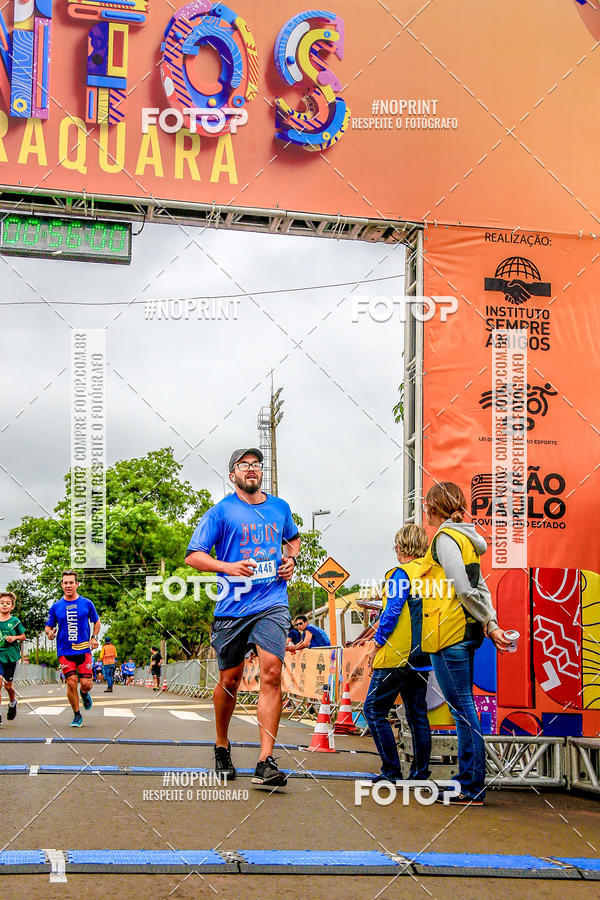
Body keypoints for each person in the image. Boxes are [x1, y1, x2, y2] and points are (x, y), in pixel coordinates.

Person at [186, 447, 300, 788]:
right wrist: (227, 567)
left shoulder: (280, 508)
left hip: (272, 601)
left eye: (256, 464)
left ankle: (265, 760)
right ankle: (222, 745)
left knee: (271, 672)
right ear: (233, 475)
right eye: (243, 465)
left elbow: (292, 541)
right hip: (233, 607)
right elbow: (194, 556)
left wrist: (290, 559)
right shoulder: (221, 512)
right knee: (230, 681)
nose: (251, 469)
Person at [422, 482, 511, 805]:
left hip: (449, 632)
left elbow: (462, 589)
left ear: (434, 508)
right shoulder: (466, 539)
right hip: (466, 632)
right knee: (465, 708)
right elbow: (479, 586)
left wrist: (490, 621)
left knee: (462, 710)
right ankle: (468, 781)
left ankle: (471, 784)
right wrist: (491, 623)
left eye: (426, 504)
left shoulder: (445, 540)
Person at [364, 525, 432, 784]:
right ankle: (420, 774)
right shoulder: (430, 575)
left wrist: (377, 643)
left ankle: (391, 771)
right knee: (417, 715)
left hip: (396, 655)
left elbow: (391, 613)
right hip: (423, 657)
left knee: (374, 710)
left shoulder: (400, 574)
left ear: (401, 548)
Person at [45, 570, 100, 727]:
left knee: (86, 683)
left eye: (71, 582)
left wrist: (94, 637)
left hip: (83, 650)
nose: (68, 585)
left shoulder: (87, 603)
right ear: (62, 585)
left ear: (76, 584)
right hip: (64, 650)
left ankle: (84, 693)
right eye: (65, 583)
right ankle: (77, 714)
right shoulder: (56, 607)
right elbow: (48, 626)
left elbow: (96, 622)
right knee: (71, 682)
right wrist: (49, 633)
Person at [0, 591, 26, 725]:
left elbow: (23, 636)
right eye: (2, 603)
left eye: (7, 603)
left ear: (12, 606)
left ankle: (12, 702)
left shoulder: (14, 621)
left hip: (10, 655)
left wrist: (14, 638)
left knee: (8, 685)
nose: (4, 605)